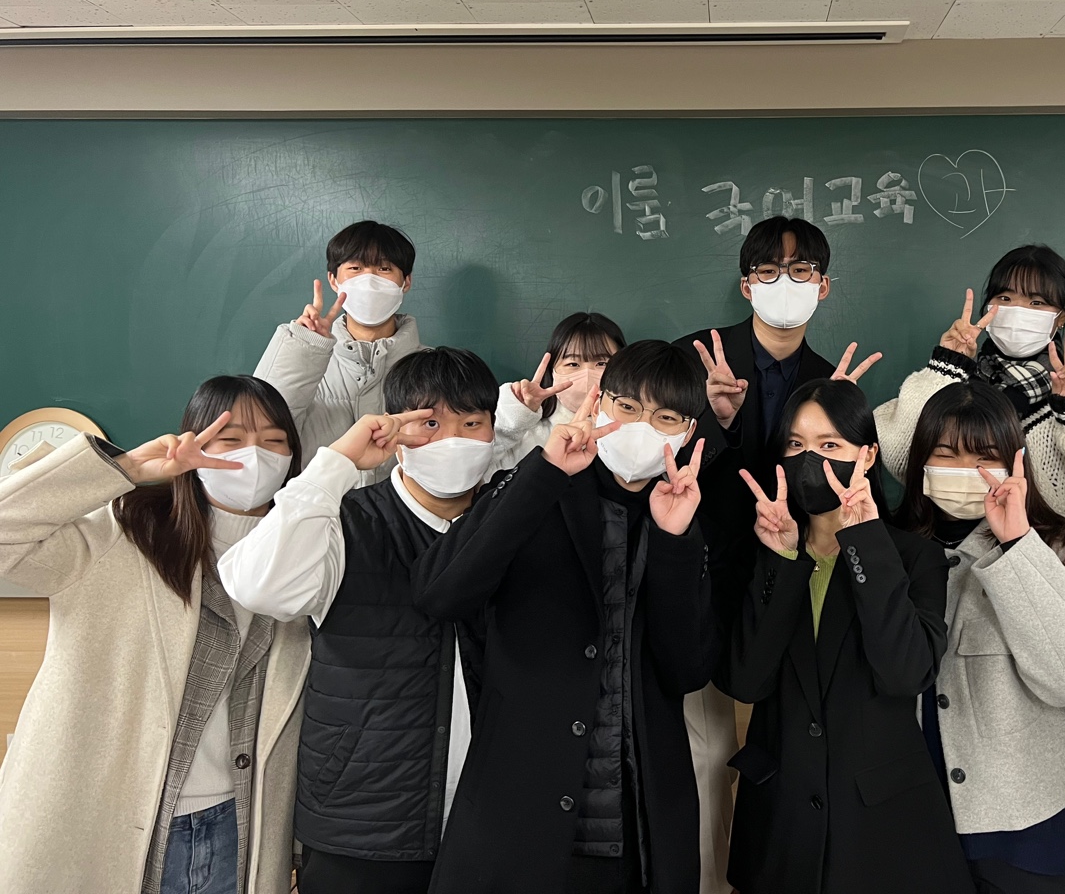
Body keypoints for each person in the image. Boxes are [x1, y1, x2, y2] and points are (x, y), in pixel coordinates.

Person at [409, 341, 720, 894]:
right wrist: (545, 471)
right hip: (520, 811)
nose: (641, 428)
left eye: (665, 418)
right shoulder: (538, 487)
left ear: (688, 432)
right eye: (627, 408)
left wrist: (674, 542)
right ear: (599, 403)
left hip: (635, 824)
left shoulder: (684, 514)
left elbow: (685, 671)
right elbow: (439, 593)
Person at [0, 375, 310, 894]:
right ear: (193, 446)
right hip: (105, 822)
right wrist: (125, 471)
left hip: (238, 827)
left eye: (274, 440)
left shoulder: (305, 560)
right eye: (230, 439)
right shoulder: (124, 530)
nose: (254, 455)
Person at [218, 347, 500, 894]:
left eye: (472, 424)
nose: (453, 441)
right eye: (431, 423)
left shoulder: (507, 526)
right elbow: (257, 586)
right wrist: (337, 464)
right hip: (361, 826)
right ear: (393, 429)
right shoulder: (345, 522)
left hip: (488, 824)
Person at [674, 215, 878, 894]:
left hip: (789, 594)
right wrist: (716, 421)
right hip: (699, 588)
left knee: (783, 760)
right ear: (745, 284)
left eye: (800, 270)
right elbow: (656, 469)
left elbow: (842, 494)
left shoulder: (831, 381)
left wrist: (834, 428)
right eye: (768, 270)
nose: (783, 282)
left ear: (824, 286)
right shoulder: (695, 360)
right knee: (704, 764)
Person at [721, 379, 966, 894]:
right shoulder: (764, 551)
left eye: (829, 444)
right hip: (780, 826)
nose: (810, 459)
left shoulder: (913, 557)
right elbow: (746, 680)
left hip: (881, 831)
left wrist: (865, 538)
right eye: (796, 444)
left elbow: (906, 674)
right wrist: (783, 557)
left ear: (867, 455)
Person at [897, 381, 1065, 893]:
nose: (966, 470)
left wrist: (1018, 544)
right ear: (920, 464)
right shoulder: (891, 552)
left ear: (1014, 464)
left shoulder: (1062, 549)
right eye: (946, 454)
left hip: (1048, 830)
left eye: (985, 456)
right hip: (928, 829)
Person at [875, 244, 1065, 542]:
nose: (1018, 311)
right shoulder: (959, 385)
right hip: (953, 557)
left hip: (1054, 557)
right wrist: (945, 369)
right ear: (989, 307)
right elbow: (901, 462)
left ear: (1061, 316)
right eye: (1004, 298)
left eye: (1037, 302)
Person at [255, 220, 422, 483]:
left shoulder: (432, 367)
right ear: (334, 280)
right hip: (315, 505)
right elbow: (261, 432)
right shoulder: (302, 353)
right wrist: (305, 346)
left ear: (406, 282)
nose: (370, 280)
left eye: (384, 268)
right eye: (355, 268)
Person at [492, 311, 626, 470]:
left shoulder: (639, 428)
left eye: (602, 363)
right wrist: (513, 419)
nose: (587, 375)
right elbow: (480, 469)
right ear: (553, 372)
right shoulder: (527, 435)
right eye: (573, 364)